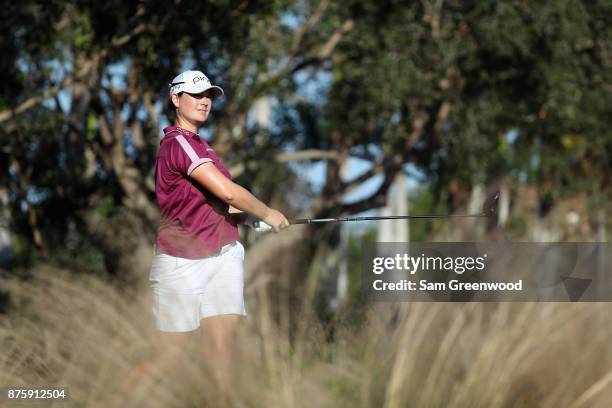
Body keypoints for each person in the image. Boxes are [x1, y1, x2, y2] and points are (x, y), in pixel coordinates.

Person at [119, 70, 289, 402]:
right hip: (181, 262)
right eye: (196, 95)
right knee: (169, 355)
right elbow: (228, 192)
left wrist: (252, 222)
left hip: (223, 255)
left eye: (208, 95)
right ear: (175, 99)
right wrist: (267, 212)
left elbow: (216, 203)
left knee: (221, 348)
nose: (204, 101)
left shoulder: (202, 146)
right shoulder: (178, 142)